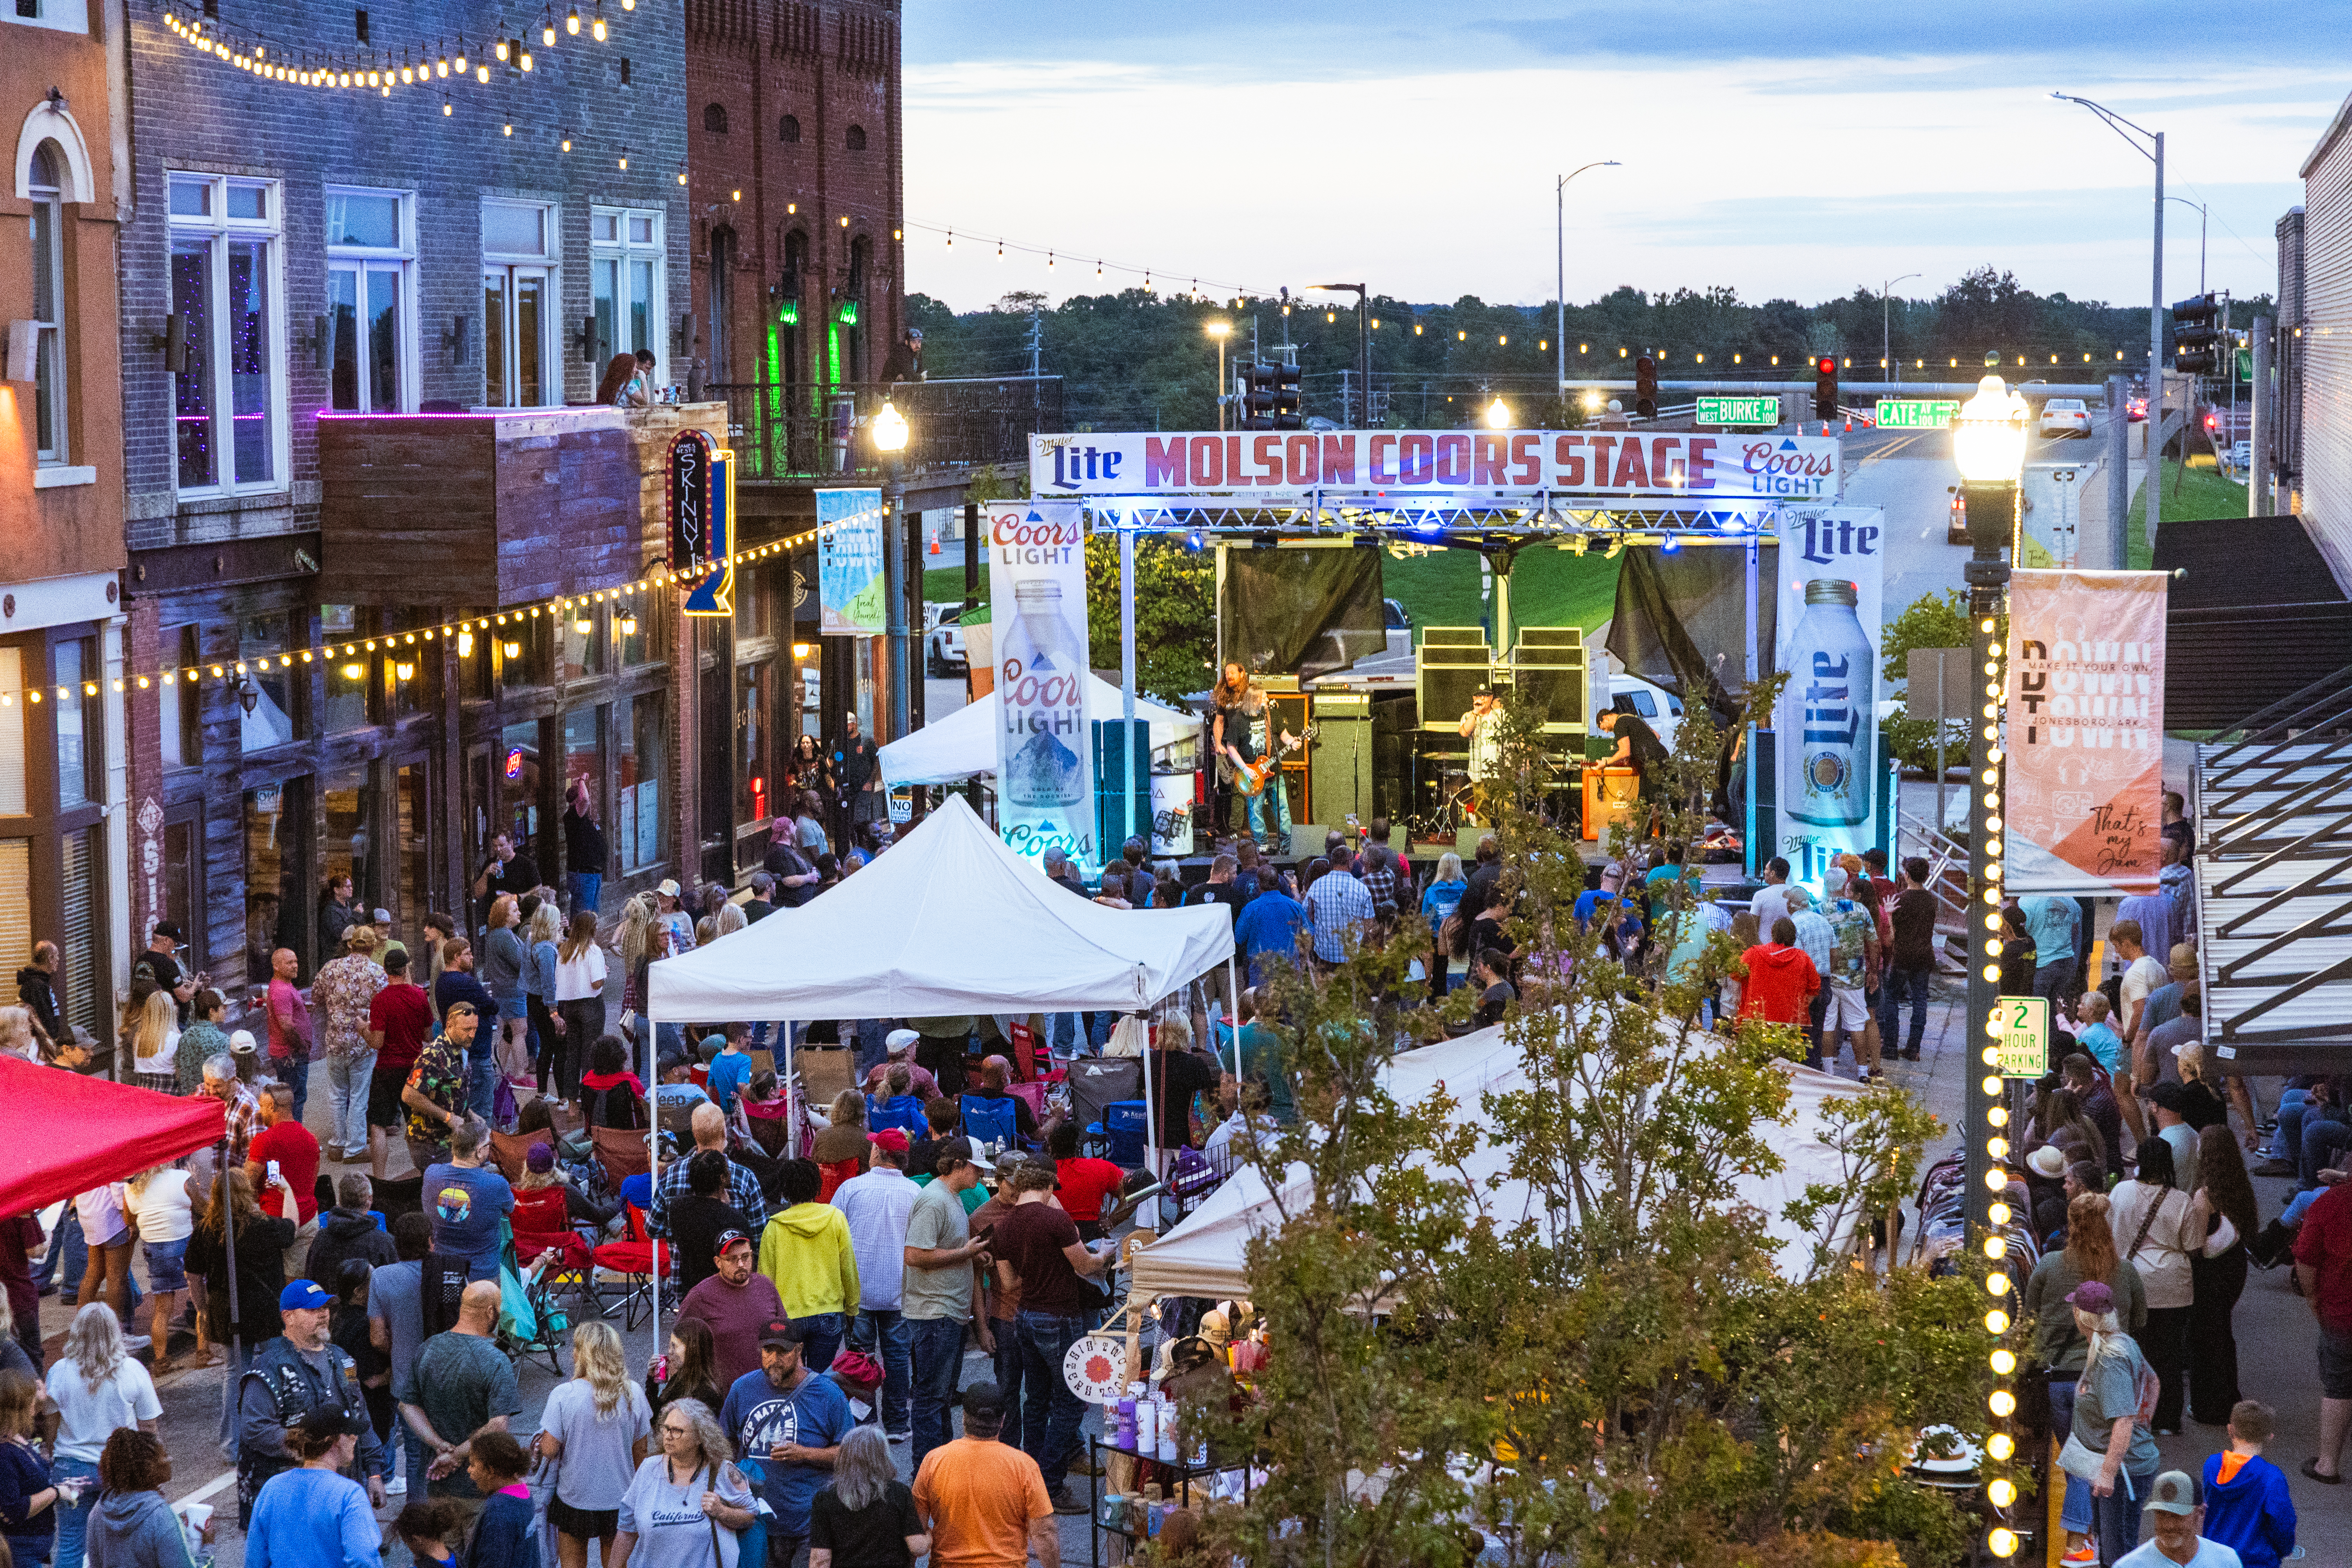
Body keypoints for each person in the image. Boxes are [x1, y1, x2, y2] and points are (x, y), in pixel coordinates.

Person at [2024, 1192, 2148, 1556]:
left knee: (2081, 1459)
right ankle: (2079, 1544)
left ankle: (2083, 1540)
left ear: (2071, 1225)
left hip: (2058, 1380)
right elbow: (2140, 1321)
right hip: (2106, 1378)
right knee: (2089, 1461)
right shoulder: (2125, 1271)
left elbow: (2029, 1316)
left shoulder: (2049, 1265)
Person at [992, 1160, 1110, 1512]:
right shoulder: (1056, 1219)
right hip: (1058, 1317)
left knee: (1037, 1399)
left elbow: (1009, 1283)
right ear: (1048, 1185)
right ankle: (1050, 1484)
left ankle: (1030, 1477)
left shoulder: (1004, 1225)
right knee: (1072, 1400)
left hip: (1023, 1317)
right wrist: (1104, 1253)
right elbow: (1085, 1266)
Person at [236, 1276, 387, 1530]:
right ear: (288, 1317)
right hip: (290, 1492)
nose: (323, 1315)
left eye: (325, 1308)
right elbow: (256, 1429)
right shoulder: (269, 1366)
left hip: (338, 1485)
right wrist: (314, 1450)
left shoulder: (342, 1359)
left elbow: (360, 1413)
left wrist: (374, 1473)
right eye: (312, 1310)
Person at [2112, 1138, 2229, 1436]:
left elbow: (2111, 1235)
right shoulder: (2180, 1201)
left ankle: (2133, 1416)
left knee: (2132, 1350)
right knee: (2169, 1354)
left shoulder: (2120, 1191)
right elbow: (2192, 1247)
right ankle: (2166, 1419)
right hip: (2172, 1287)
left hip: (2130, 1280)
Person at [182, 1167, 300, 1458]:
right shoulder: (263, 1226)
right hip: (264, 1308)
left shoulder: (206, 1231)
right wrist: (286, 1191)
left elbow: (192, 1273)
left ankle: (232, 1445)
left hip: (226, 1308)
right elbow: (292, 1227)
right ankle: (281, 1435)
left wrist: (201, 1307)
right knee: (277, 1367)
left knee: (234, 1372)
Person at [720, 1318, 857, 1564]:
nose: (774, 1358)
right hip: (755, 1521)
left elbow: (850, 1455)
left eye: (783, 1351)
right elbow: (723, 1442)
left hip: (810, 1524)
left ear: (799, 1350)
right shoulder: (742, 1389)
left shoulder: (827, 1394)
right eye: (767, 1350)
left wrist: (804, 1453)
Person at [44, 1304, 160, 1568]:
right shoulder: (132, 1370)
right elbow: (149, 1428)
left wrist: (50, 1452)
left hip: (71, 1469)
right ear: (115, 1332)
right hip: (120, 1469)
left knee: (72, 1543)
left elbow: (51, 1424)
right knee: (123, 1542)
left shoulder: (59, 1371)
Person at [536, 1319, 653, 1568]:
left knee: (573, 1562)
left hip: (574, 1496)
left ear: (582, 1355)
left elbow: (549, 1449)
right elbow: (641, 1451)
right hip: (621, 1498)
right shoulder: (633, 1392)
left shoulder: (564, 1394)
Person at [401, 1279, 520, 1518]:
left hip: (436, 1487)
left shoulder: (428, 1349)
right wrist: (456, 1455)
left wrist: (439, 1446)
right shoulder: (497, 1361)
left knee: (445, 1554)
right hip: (480, 1489)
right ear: (491, 1312)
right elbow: (498, 1425)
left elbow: (407, 1405)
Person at [2064, 1279, 2163, 1566]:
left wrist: (2108, 1472)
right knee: (2111, 1547)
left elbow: (2123, 1419)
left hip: (2122, 1473)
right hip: (2121, 1466)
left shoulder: (2110, 1359)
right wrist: (2144, 1426)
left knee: (2117, 1554)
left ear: (2080, 1317)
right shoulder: (2123, 1343)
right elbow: (2154, 1383)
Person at [903, 1138, 989, 1467]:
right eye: (977, 1168)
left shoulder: (948, 1197)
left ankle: (939, 1466)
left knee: (939, 1397)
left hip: (945, 1312)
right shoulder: (935, 1201)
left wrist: (972, 1254)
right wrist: (964, 1253)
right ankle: (926, 1472)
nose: (980, 1175)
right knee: (930, 1397)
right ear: (959, 1164)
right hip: (934, 1313)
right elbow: (914, 1255)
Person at [911, 1380, 1058, 1568]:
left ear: (964, 1417)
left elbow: (915, 1530)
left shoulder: (934, 1461)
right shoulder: (1024, 1466)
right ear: (1003, 1420)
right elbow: (1044, 1533)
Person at [833, 1132, 918, 1442]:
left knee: (859, 1361)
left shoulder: (851, 1188)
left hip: (859, 1292)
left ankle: (864, 1425)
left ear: (880, 1154)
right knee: (897, 1360)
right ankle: (897, 1425)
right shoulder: (914, 1192)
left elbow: (834, 1236)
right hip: (899, 1291)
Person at [611, 1396, 757, 1568]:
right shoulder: (649, 1468)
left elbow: (751, 1515)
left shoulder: (723, 1472)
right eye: (666, 1428)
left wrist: (722, 1512)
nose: (668, 1436)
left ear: (700, 1438)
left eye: (677, 1431)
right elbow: (627, 1528)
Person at [243, 1403, 380, 1568]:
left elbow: (255, 1560)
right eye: (350, 1434)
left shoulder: (272, 1488)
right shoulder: (350, 1494)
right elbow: (363, 1559)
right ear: (333, 1441)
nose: (355, 1438)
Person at [757, 1160, 859, 1374]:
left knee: (791, 1380)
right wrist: (852, 1309)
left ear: (785, 1190)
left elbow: (765, 1282)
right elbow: (848, 1269)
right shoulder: (835, 1218)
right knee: (818, 1381)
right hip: (829, 1314)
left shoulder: (774, 1228)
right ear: (817, 1186)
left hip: (788, 1317)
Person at [2288, 1160, 2352, 1483]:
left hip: (2342, 1312)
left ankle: (2327, 1465)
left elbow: (2306, 1258)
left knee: (2339, 1386)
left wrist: (2313, 1297)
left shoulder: (2328, 1203)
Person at [310, 923, 387, 1165]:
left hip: (335, 1040)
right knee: (359, 1096)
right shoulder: (377, 972)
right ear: (373, 947)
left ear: (350, 944)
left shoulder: (330, 968)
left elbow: (316, 997)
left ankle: (337, 1144)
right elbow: (384, 1005)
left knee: (337, 1095)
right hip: (363, 1042)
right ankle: (354, 1148)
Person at [679, 1228, 789, 1393]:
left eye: (746, 1257)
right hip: (723, 1395)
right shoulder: (700, 1296)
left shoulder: (765, 1286)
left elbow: (784, 1333)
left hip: (768, 1390)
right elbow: (680, 1343)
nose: (741, 1265)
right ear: (718, 1262)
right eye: (732, 1259)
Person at [359, 944, 432, 1179]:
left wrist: (363, 1029)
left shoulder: (380, 1000)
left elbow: (377, 1042)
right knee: (417, 1122)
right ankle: (423, 1173)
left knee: (378, 1125)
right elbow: (427, 1036)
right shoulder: (420, 995)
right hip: (414, 1067)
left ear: (385, 971)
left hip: (387, 1068)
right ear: (406, 968)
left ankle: (379, 1178)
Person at [2195, 1400, 2295, 1568]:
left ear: (2230, 1430)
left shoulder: (2212, 1465)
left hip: (2215, 1556)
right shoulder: (2271, 1477)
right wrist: (2285, 1549)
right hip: (2254, 1561)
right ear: (2269, 1437)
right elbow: (2282, 1521)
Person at [809, 1425, 927, 1568]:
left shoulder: (825, 1499)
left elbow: (820, 1560)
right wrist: (929, 1536)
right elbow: (917, 1548)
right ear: (883, 1456)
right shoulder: (899, 1492)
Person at [85, 1427, 203, 1568]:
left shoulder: (98, 1512)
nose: (170, 1459)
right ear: (149, 1468)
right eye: (164, 1455)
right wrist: (207, 1547)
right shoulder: (161, 1518)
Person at [653, 1102, 770, 1244]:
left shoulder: (670, 1176)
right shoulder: (745, 1178)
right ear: (724, 1132)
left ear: (694, 1133)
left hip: (685, 1264)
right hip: (733, 1264)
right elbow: (760, 1235)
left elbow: (653, 1229)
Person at [123, 1164, 196, 1375]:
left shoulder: (133, 1187)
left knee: (162, 1308)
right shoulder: (181, 1177)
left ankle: (161, 1360)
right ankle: (203, 1353)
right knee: (201, 1300)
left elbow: (129, 1220)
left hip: (153, 1247)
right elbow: (202, 1206)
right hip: (184, 1244)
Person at [423, 1118, 515, 1284]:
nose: (490, 1148)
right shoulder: (496, 1183)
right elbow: (510, 1208)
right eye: (489, 1145)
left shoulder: (431, 1173)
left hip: (442, 1271)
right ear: (479, 1151)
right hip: (482, 1276)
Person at [244, 1082, 323, 1277]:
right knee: (302, 1281)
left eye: (262, 1106)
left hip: (276, 1222)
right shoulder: (311, 1138)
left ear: (273, 1107)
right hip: (308, 1218)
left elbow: (246, 1184)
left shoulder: (264, 1141)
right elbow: (313, 1180)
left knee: (276, 1283)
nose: (260, 1112)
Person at [403, 1002, 481, 1179]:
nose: (472, 1035)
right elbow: (408, 1095)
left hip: (448, 1141)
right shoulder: (434, 1054)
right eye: (466, 1029)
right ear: (450, 1026)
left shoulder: (459, 1050)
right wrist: (448, 1118)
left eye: (475, 1029)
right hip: (430, 1143)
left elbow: (450, 1093)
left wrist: (469, 1113)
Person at [1818, 867, 1881, 1081]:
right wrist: (1873, 971)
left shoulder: (1817, 910)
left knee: (1827, 1024)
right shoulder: (1861, 910)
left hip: (1827, 977)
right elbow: (1873, 942)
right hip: (1854, 977)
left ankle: (1828, 1071)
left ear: (1826, 885)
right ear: (1845, 884)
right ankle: (1863, 1072)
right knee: (1857, 1024)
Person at [2111, 918, 2166, 1142]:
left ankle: (2142, 1143)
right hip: (2157, 1036)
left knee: (2123, 1090)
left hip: (2136, 1040)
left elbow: (2140, 1008)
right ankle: (2157, 1137)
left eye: (2116, 945)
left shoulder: (2136, 972)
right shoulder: (2156, 965)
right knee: (2153, 1092)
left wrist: (2127, 1037)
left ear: (2126, 942)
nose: (2116, 951)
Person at [1879, 857, 1938, 1060]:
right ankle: (1913, 1049)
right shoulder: (1932, 900)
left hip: (1902, 956)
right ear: (1927, 875)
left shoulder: (1898, 900)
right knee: (1920, 1000)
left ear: (1907, 875)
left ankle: (1889, 1048)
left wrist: (1888, 916)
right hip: (1924, 955)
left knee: (1892, 999)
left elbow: (1890, 938)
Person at [300, 1173, 395, 1295]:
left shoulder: (321, 1239)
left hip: (331, 1310)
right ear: (370, 1200)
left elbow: (311, 1284)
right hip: (369, 1312)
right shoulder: (383, 1242)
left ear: (340, 1199)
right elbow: (393, 1289)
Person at [0, 1368, 57, 1566]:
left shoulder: (16, 1440)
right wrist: (56, 1493)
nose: (36, 1405)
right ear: (18, 1409)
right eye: (31, 1401)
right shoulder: (4, 1454)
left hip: (34, 1547)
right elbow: (13, 1509)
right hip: (21, 1548)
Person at [458, 1429, 538, 1568]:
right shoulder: (524, 1493)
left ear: (490, 1471)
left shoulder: (499, 1511)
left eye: (474, 1465)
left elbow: (493, 1562)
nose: (469, 1470)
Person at [1735, 916, 1820, 1039]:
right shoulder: (1803, 958)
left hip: (1757, 1018)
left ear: (1773, 933)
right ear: (1794, 935)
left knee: (1758, 1056)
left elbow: (1735, 973)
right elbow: (1814, 988)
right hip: (1790, 1022)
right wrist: (1798, 1006)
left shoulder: (1754, 953)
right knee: (1785, 1057)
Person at [479, 895, 531, 1089]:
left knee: (508, 1033)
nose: (519, 913)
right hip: (512, 990)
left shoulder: (497, 934)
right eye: (514, 910)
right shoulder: (504, 935)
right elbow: (520, 963)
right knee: (520, 1032)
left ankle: (502, 1073)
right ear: (504, 915)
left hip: (503, 990)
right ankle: (519, 1074)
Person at [261, 947, 315, 1127]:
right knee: (294, 1099)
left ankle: (289, 1136)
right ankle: (294, 1139)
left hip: (287, 1053)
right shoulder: (282, 991)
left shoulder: (284, 986)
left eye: (296, 962)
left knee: (291, 1097)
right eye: (289, 963)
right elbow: (286, 1026)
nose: (295, 966)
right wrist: (300, 1046)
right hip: (290, 1055)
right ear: (276, 966)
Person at [1303, 845, 1374, 967]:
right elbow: (1369, 922)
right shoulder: (1361, 889)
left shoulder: (1317, 885)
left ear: (1332, 862)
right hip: (1352, 955)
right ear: (1350, 862)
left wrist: (1315, 935)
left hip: (1324, 955)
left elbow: (1305, 914)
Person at [1234, 868, 1308, 985]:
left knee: (1262, 1003)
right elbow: (1309, 935)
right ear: (1278, 883)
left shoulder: (1251, 909)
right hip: (1290, 971)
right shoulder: (1295, 906)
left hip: (1261, 974)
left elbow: (1239, 937)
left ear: (1259, 883)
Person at [1597, 706, 1671, 801]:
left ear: (1606, 718)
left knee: (1652, 801)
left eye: (1604, 728)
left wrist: (1606, 763)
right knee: (1644, 799)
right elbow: (1657, 736)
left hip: (1653, 762)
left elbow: (1624, 752)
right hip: (1660, 757)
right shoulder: (1632, 717)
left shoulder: (1619, 724)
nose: (1606, 732)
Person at [563, 779, 609, 919]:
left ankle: (588, 941)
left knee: (592, 917)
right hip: (582, 875)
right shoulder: (572, 816)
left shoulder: (583, 818)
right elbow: (585, 800)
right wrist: (582, 780)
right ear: (575, 801)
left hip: (593, 874)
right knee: (583, 918)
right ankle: (578, 941)